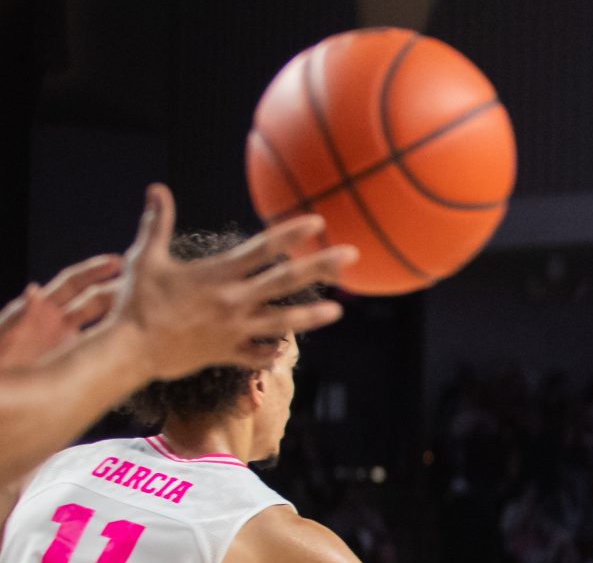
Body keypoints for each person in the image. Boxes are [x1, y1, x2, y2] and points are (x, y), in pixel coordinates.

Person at [0, 189, 347, 494]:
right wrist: (137, 346)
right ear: (256, 379)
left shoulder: (52, 472)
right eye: (291, 366)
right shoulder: (291, 544)